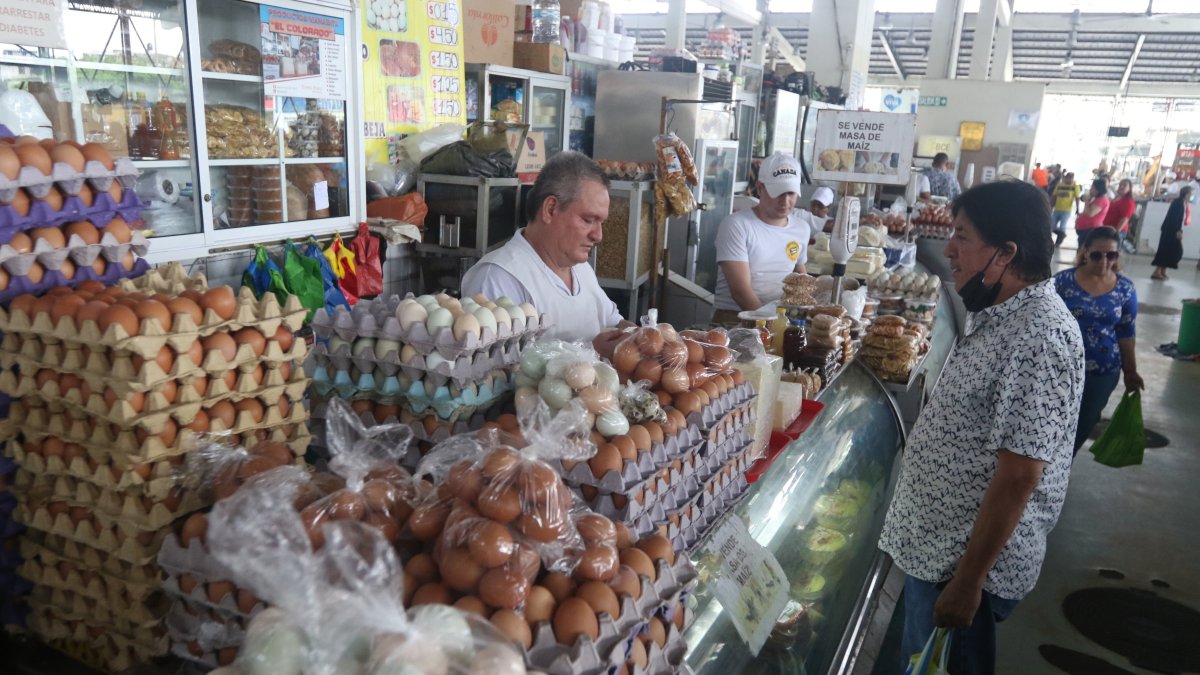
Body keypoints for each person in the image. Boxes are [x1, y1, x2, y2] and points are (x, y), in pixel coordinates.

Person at [879, 180, 1085, 675]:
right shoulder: (1000, 314)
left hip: (962, 572)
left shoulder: (1039, 336)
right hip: (937, 552)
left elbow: (1020, 475)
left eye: (963, 235)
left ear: (1006, 253)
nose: (949, 248)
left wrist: (969, 582)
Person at [461, 151, 629, 343]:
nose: (598, 236)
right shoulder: (498, 278)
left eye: (601, 223)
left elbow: (614, 322)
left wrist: (643, 336)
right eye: (588, 220)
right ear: (550, 209)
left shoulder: (580, 268)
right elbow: (498, 368)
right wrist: (597, 350)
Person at [1054, 227, 1144, 454]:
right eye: (1097, 254)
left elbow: (1126, 332)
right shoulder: (1062, 282)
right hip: (1059, 367)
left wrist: (1130, 371)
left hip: (1103, 372)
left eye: (1111, 255)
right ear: (1085, 252)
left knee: (1084, 423)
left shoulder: (1125, 288)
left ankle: (1061, 472)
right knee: (1053, 421)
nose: (1105, 261)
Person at [711, 153, 811, 323]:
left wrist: (808, 311)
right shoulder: (737, 225)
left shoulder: (801, 228)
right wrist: (771, 326)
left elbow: (801, 276)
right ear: (760, 188)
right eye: (778, 193)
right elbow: (740, 292)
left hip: (781, 317)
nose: (785, 201)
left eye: (791, 193)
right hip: (735, 318)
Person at [1151, 185, 1193, 280]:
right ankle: (1157, 271)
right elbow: (1174, 219)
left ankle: (1163, 270)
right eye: (1190, 194)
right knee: (1168, 251)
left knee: (1170, 251)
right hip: (1171, 231)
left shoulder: (1181, 203)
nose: (1191, 196)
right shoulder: (1178, 203)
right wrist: (1178, 231)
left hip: (1172, 230)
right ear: (1186, 194)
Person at [1074, 178, 1110, 245]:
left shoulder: (1102, 200)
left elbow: (1090, 214)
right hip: (1085, 229)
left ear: (1098, 189)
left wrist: (1086, 201)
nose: (1090, 189)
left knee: (1084, 250)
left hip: (1090, 229)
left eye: (1092, 187)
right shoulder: (1095, 198)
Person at [1050, 172, 1081, 248]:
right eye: (1068, 178)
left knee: (1062, 226)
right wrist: (1051, 206)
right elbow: (1054, 196)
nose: (1069, 179)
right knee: (1052, 225)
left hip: (1066, 211)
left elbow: (1077, 198)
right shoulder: (1059, 185)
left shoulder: (1075, 186)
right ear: (1065, 178)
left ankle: (1058, 241)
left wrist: (1077, 208)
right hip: (1057, 209)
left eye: (1071, 178)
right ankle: (1062, 234)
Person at [1103, 178, 1137, 250]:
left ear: (1129, 189)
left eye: (1124, 185)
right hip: (1108, 229)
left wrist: (1116, 232)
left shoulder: (1128, 202)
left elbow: (1125, 219)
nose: (1121, 186)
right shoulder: (1117, 198)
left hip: (1116, 231)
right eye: (1120, 184)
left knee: (1112, 252)